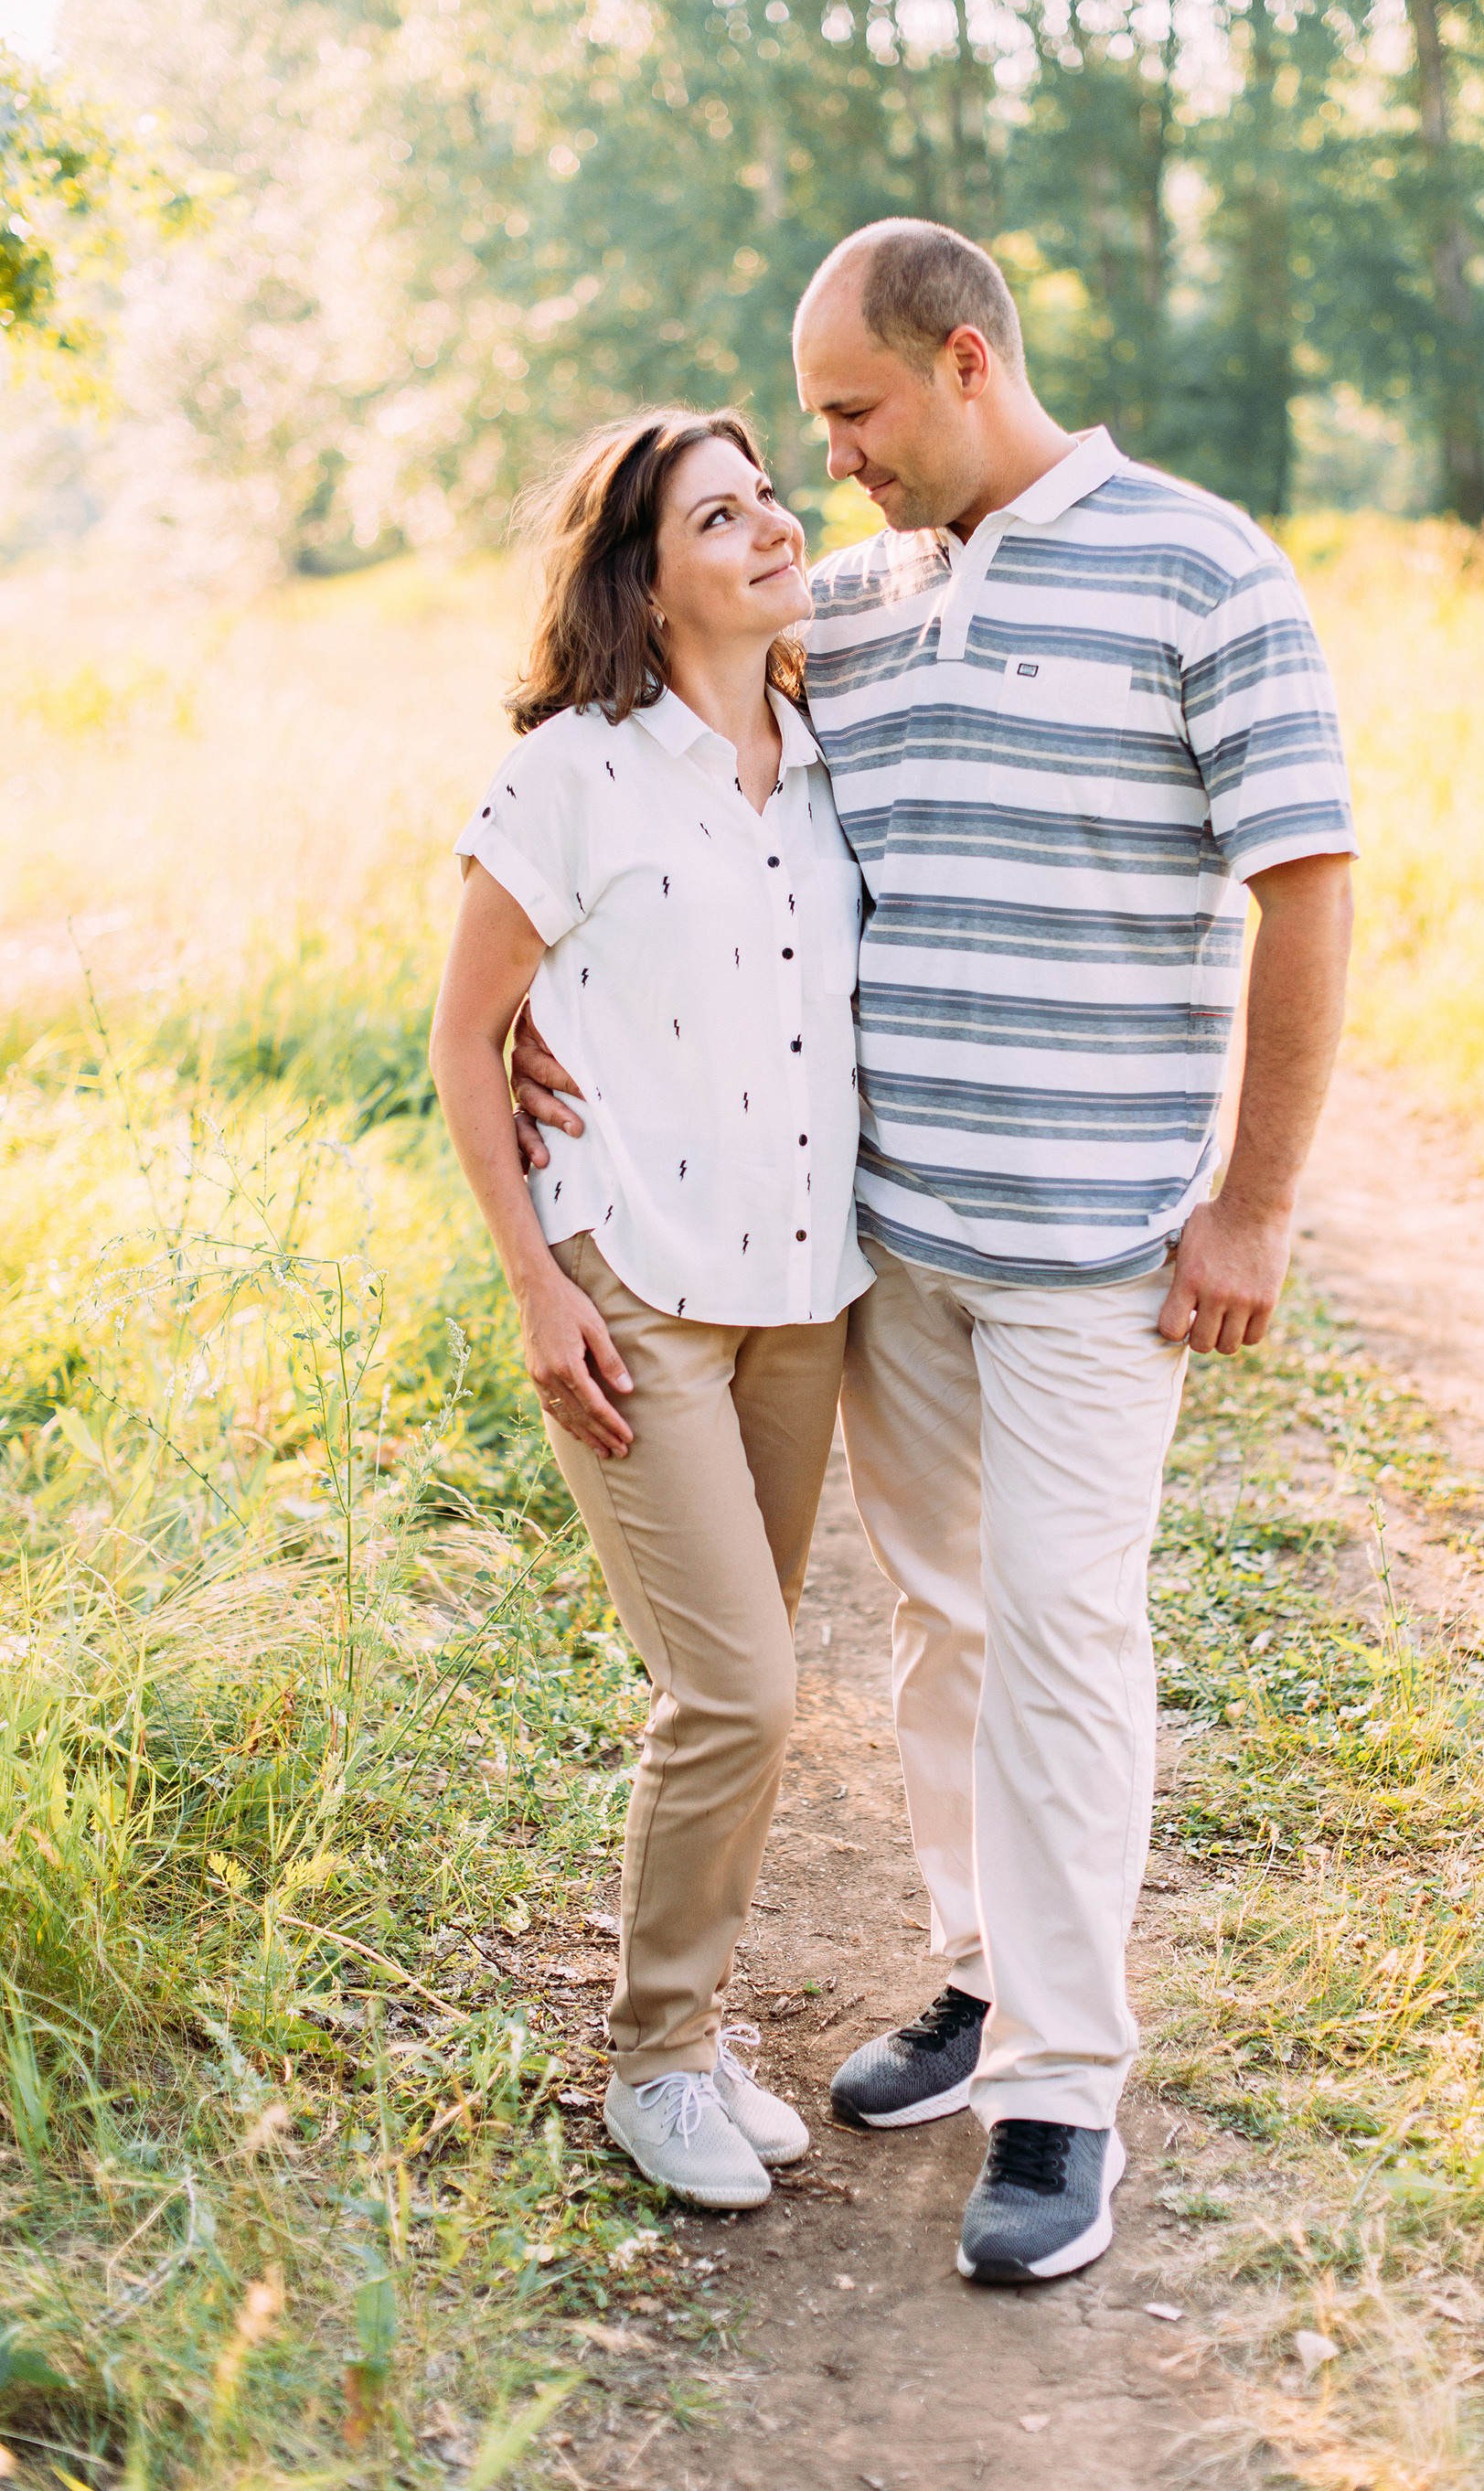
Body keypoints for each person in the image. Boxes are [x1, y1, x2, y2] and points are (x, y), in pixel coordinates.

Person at [512, 222, 1356, 2283]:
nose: (833, 462)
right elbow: (659, 781)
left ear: (966, 362)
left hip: (1095, 1250)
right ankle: (983, 1976)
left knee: (1062, 1633)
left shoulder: (1205, 570)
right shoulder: (865, 606)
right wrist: (530, 1004)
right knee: (947, 1624)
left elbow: (1309, 887)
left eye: (854, 413)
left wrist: (1252, 1205)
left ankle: (1063, 2087)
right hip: (887, 1240)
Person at [430, 407, 872, 2210]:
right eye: (720, 515)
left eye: (770, 496)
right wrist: (537, 1283)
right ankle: (653, 2056)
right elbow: (467, 1036)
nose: (772, 526)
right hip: (638, 1286)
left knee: (741, 1695)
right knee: (739, 1687)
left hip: (804, 1290)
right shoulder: (572, 776)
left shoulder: (832, 750)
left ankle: (692, 2031)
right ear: (644, 576)